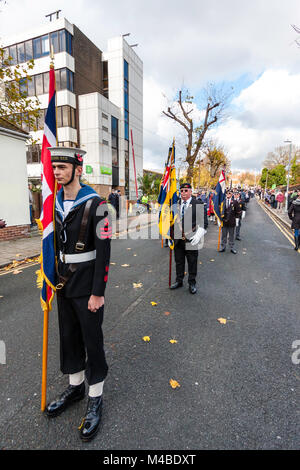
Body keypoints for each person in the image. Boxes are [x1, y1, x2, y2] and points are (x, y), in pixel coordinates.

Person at [45, 147, 111, 442]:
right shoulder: (53, 203)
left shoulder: (98, 205)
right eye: (54, 167)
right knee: (69, 338)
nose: (57, 172)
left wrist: (98, 293)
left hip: (87, 287)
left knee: (91, 341)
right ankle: (76, 387)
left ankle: (95, 396)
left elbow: (104, 255)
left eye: (62, 167)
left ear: (77, 169)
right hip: (61, 284)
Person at [170, 183, 207, 294]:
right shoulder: (176, 204)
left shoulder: (197, 203)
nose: (183, 193)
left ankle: (192, 282)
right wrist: (169, 236)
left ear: (191, 191)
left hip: (191, 238)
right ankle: (179, 280)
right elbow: (172, 221)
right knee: (179, 261)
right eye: (181, 191)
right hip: (177, 238)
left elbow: (204, 223)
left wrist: (198, 235)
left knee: (192, 262)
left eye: (186, 190)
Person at [219, 189, 241, 254]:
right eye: (227, 193)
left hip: (231, 221)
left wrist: (236, 219)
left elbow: (238, 211)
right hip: (224, 221)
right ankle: (223, 247)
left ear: (231, 194)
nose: (228, 194)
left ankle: (232, 247)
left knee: (231, 235)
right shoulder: (223, 201)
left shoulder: (235, 202)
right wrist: (219, 220)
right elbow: (219, 211)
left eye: (229, 193)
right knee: (224, 235)